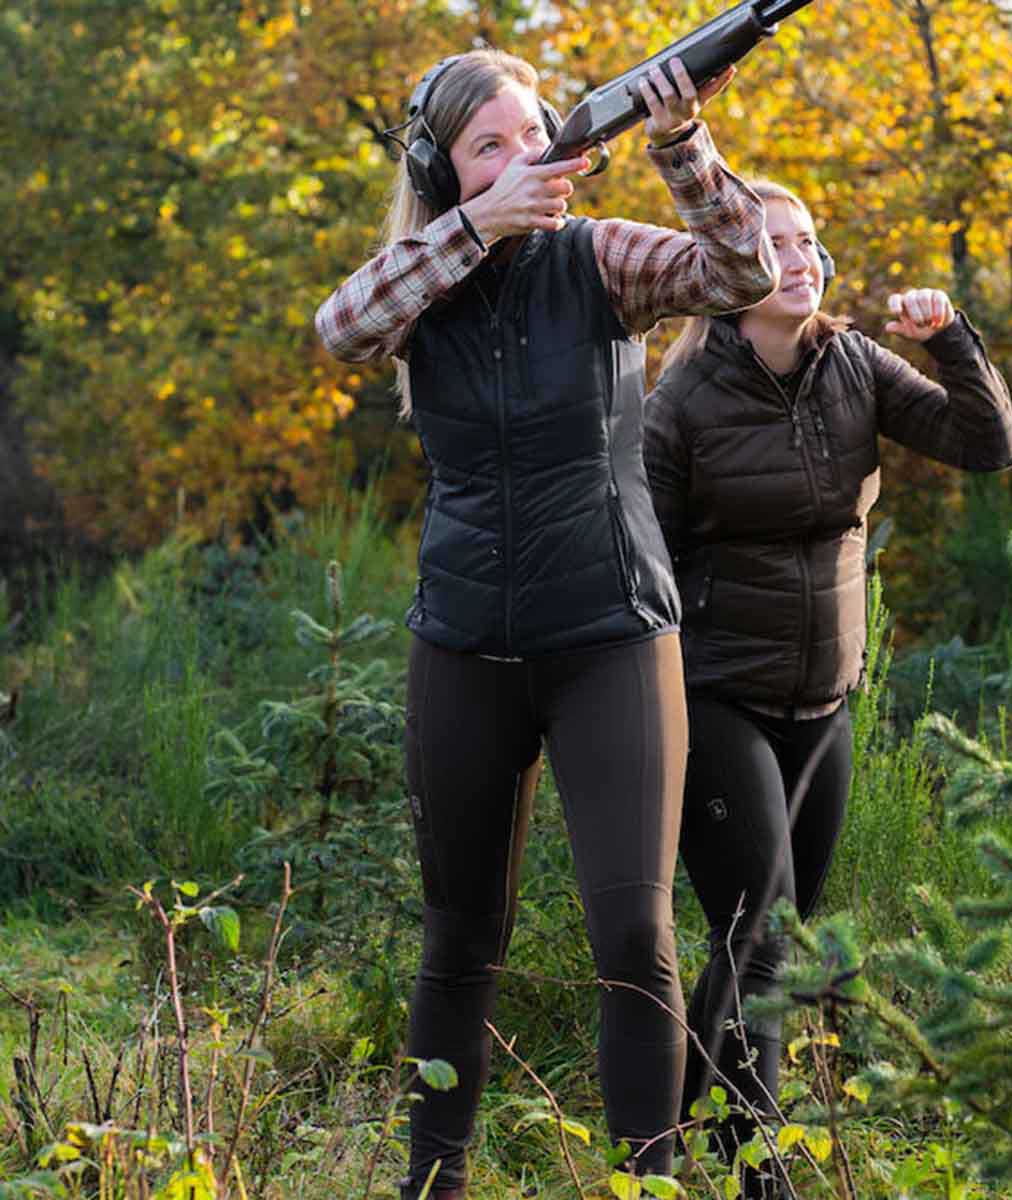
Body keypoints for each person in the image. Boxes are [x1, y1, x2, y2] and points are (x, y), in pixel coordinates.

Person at [314, 47, 780, 1199]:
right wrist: (476, 230)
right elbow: (342, 328)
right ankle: (436, 1183)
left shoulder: (598, 254)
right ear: (442, 169)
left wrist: (683, 146)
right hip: (462, 640)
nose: (527, 160)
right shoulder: (422, 271)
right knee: (459, 938)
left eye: (535, 137)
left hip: (611, 632)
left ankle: (648, 1183)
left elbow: (739, 272)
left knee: (635, 939)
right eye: (492, 146)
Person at [642, 179, 1012, 1197]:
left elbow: (989, 446)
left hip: (825, 696)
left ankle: (672, 1151)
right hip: (717, 693)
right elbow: (648, 563)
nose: (804, 260)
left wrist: (953, 341)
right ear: (729, 271)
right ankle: (757, 1175)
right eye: (777, 245)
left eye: (812, 241)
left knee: (775, 938)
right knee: (757, 938)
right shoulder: (682, 401)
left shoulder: (853, 364)